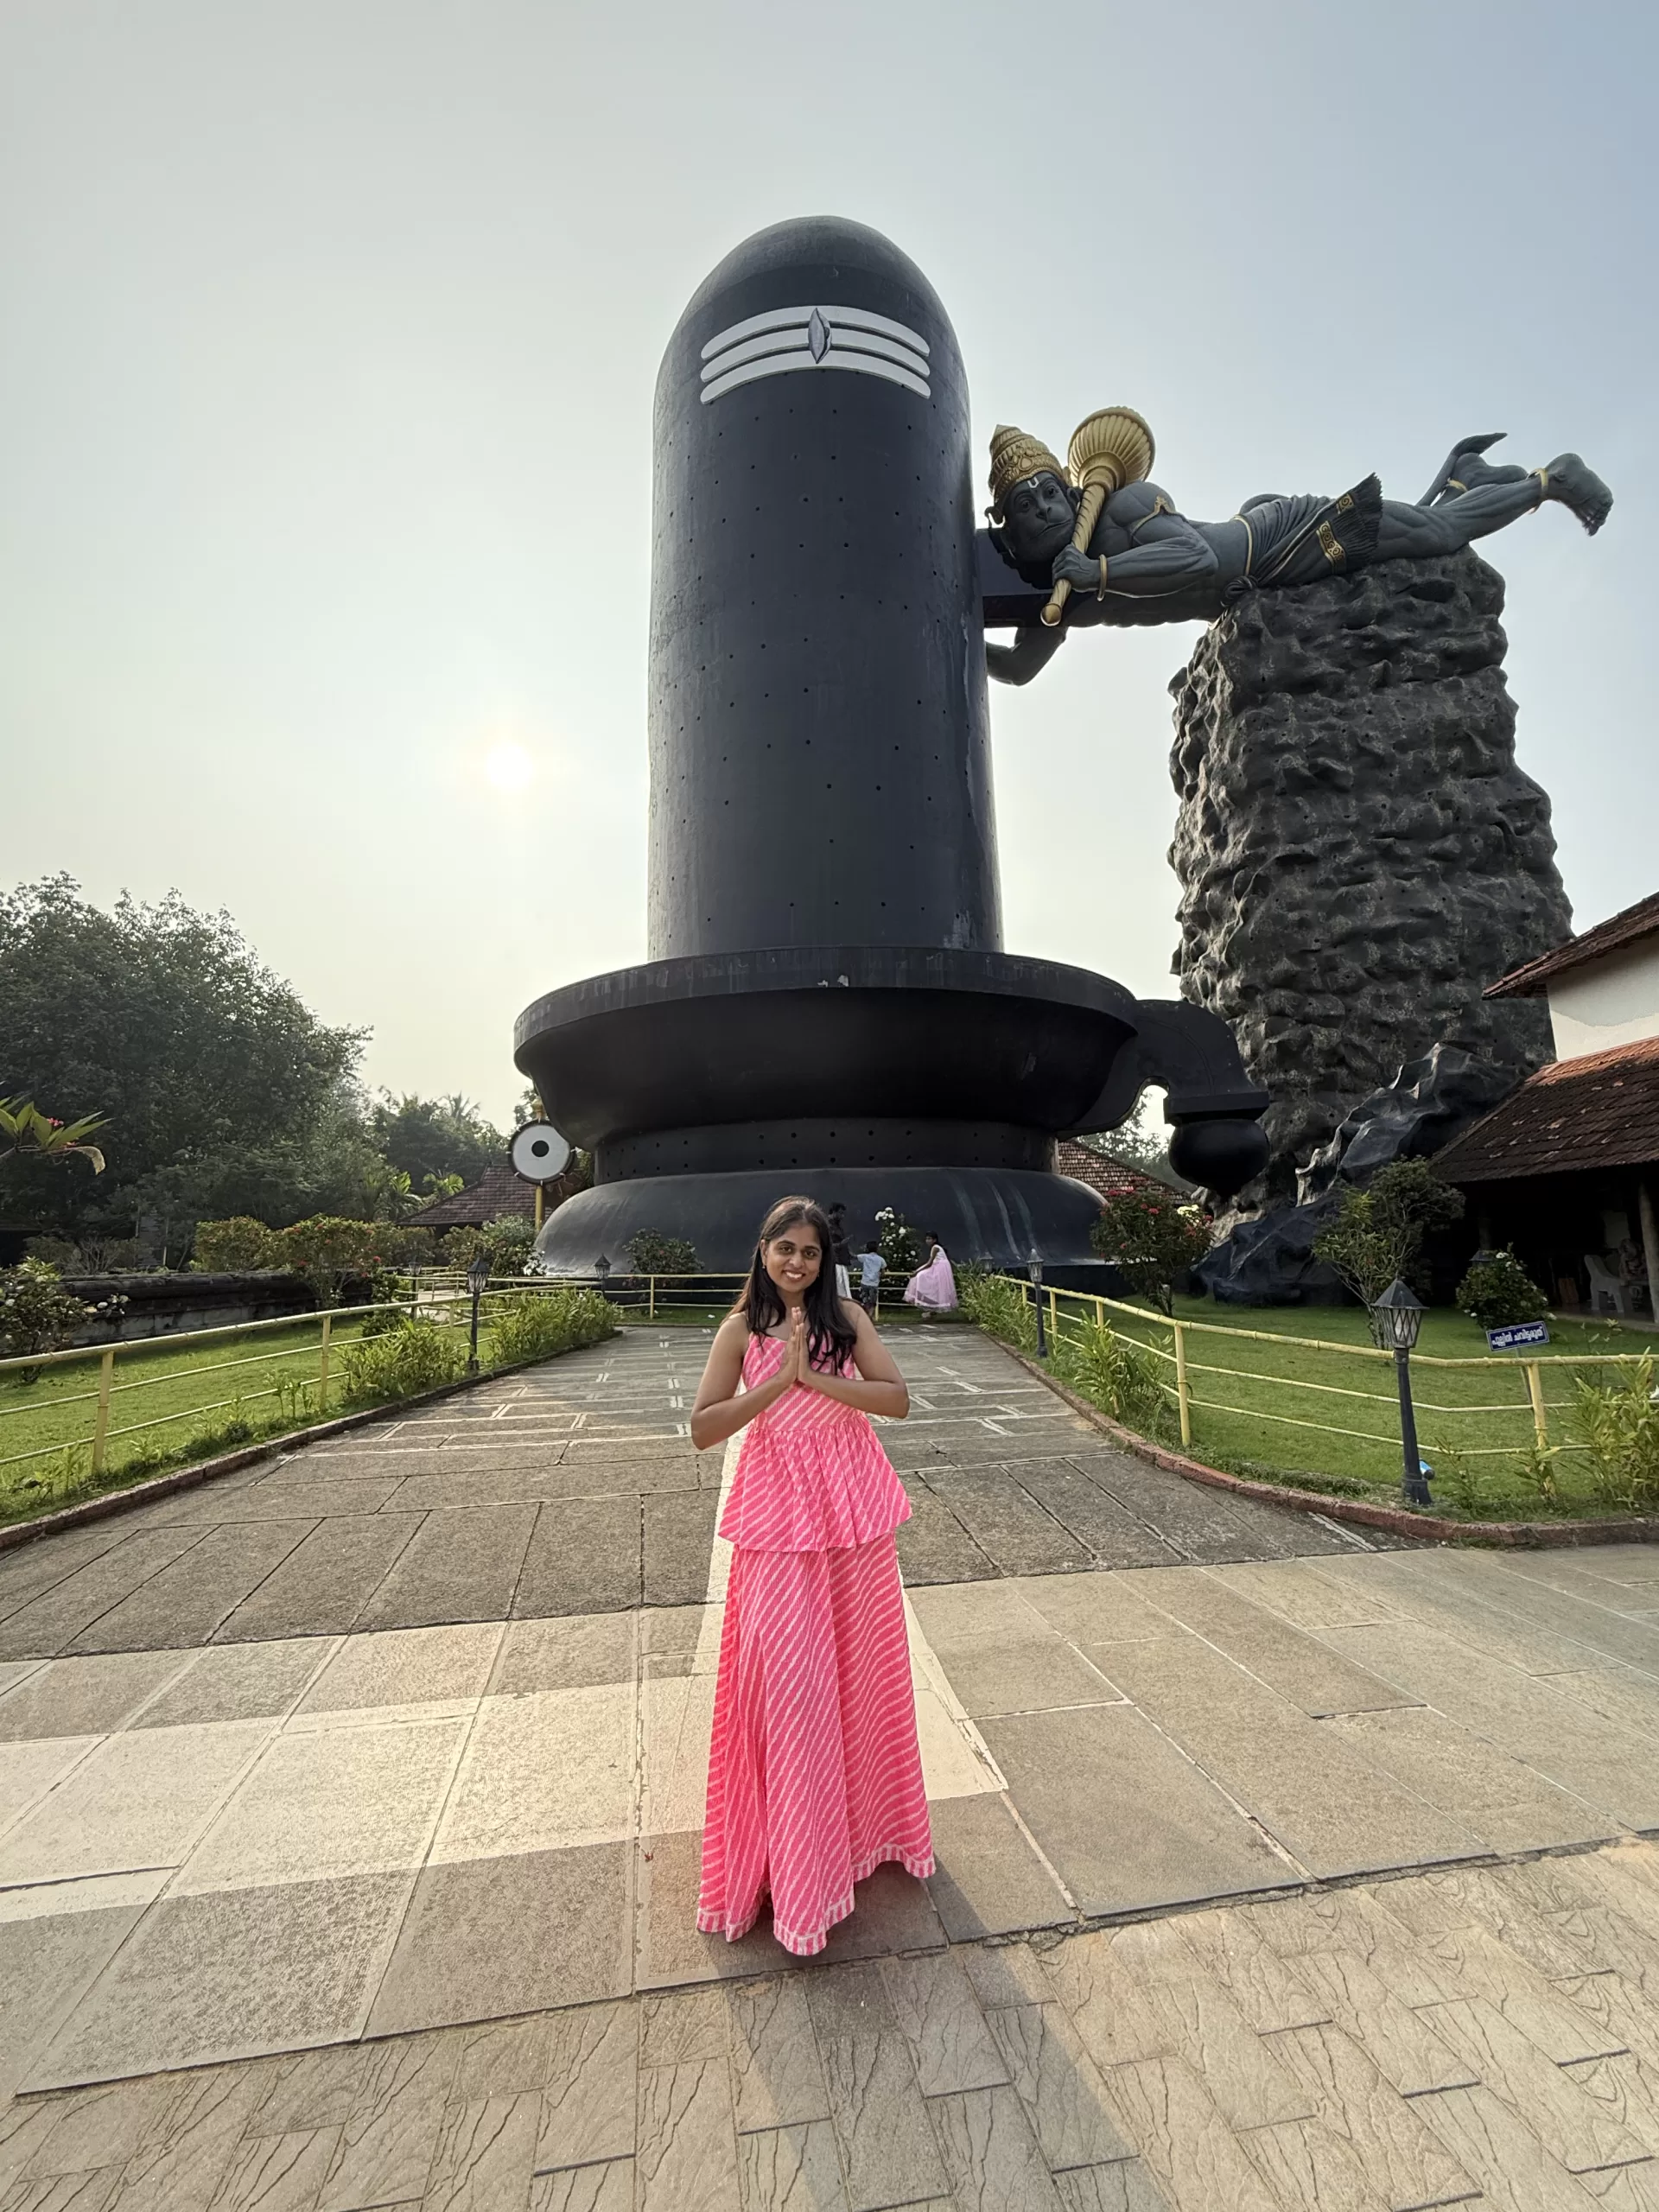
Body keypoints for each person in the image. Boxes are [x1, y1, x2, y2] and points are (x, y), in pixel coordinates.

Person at [690, 1194, 931, 1955]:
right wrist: (777, 1381)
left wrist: (817, 1378)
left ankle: (864, 1841)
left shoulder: (848, 1321)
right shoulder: (740, 1329)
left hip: (851, 1522)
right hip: (777, 1527)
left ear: (825, 1262)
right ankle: (795, 1874)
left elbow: (895, 1400)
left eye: (811, 1252)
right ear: (762, 1250)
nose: (797, 1262)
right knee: (790, 1695)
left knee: (861, 1683)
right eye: (784, 1248)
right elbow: (703, 1428)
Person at [983, 424, 1613, 686]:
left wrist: (1100, 572)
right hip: (1254, 584)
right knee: (1416, 538)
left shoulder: (1124, 509)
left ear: (1069, 490)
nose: (1042, 507)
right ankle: (1463, 478)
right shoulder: (1052, 599)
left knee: (1438, 538)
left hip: (1281, 541)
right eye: (1024, 504)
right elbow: (1016, 669)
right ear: (1006, 530)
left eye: (1047, 492)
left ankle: (1550, 479)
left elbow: (1197, 561)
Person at [903, 1234, 957, 1313]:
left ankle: (926, 1299)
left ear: (934, 1240)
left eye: (929, 1239)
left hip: (939, 1268)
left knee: (920, 1276)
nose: (927, 1241)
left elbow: (929, 1263)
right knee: (923, 1278)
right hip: (938, 1266)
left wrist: (917, 1271)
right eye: (926, 1239)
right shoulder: (936, 1248)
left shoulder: (935, 1248)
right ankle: (929, 1303)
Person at [855, 1239, 885, 1314]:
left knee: (865, 1301)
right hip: (874, 1283)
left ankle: (865, 1316)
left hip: (865, 1282)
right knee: (872, 1303)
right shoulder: (881, 1259)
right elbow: (883, 1272)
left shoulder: (864, 1257)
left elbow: (854, 1256)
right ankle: (870, 1317)